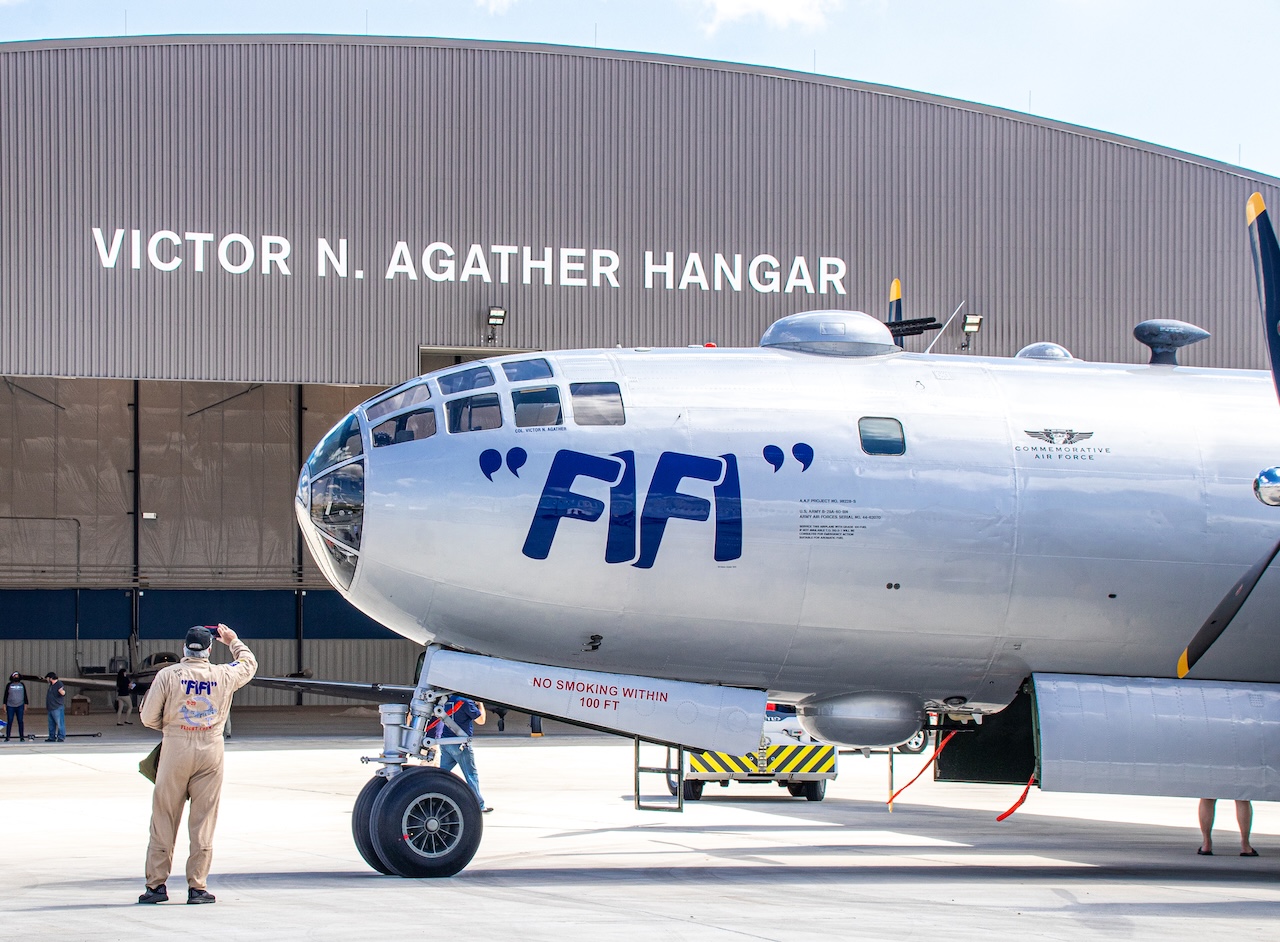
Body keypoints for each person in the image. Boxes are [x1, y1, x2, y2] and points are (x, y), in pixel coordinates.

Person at [137, 624, 257, 905]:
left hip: (175, 748)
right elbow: (249, 664)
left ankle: (156, 886)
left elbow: (148, 717)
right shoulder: (224, 674)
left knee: (164, 816)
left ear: (184, 648)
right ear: (209, 650)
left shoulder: (169, 675)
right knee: (203, 820)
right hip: (211, 749)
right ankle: (197, 887)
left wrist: (172, 727)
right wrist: (233, 641)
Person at [429, 694, 493, 813]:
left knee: (442, 774)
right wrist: (480, 704)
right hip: (460, 744)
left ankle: (432, 797)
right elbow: (481, 720)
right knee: (471, 774)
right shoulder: (466, 702)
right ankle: (480, 805)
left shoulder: (445, 700)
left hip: (445, 742)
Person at [5, 672, 27, 741]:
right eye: (15, 676)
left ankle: (21, 737)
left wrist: (26, 704)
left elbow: (25, 695)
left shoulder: (22, 685)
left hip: (20, 705)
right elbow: (6, 695)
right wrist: (4, 704)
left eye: (17, 676)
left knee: (20, 721)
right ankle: (7, 737)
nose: (16, 677)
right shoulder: (9, 685)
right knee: (9, 721)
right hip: (10, 706)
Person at [44, 672, 66, 742]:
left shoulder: (59, 684)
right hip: (50, 708)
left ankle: (61, 737)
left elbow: (62, 692)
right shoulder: (51, 685)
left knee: (60, 723)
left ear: (50, 678)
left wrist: (62, 692)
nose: (47, 680)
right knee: (51, 724)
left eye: (48, 678)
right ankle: (52, 737)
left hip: (57, 707)